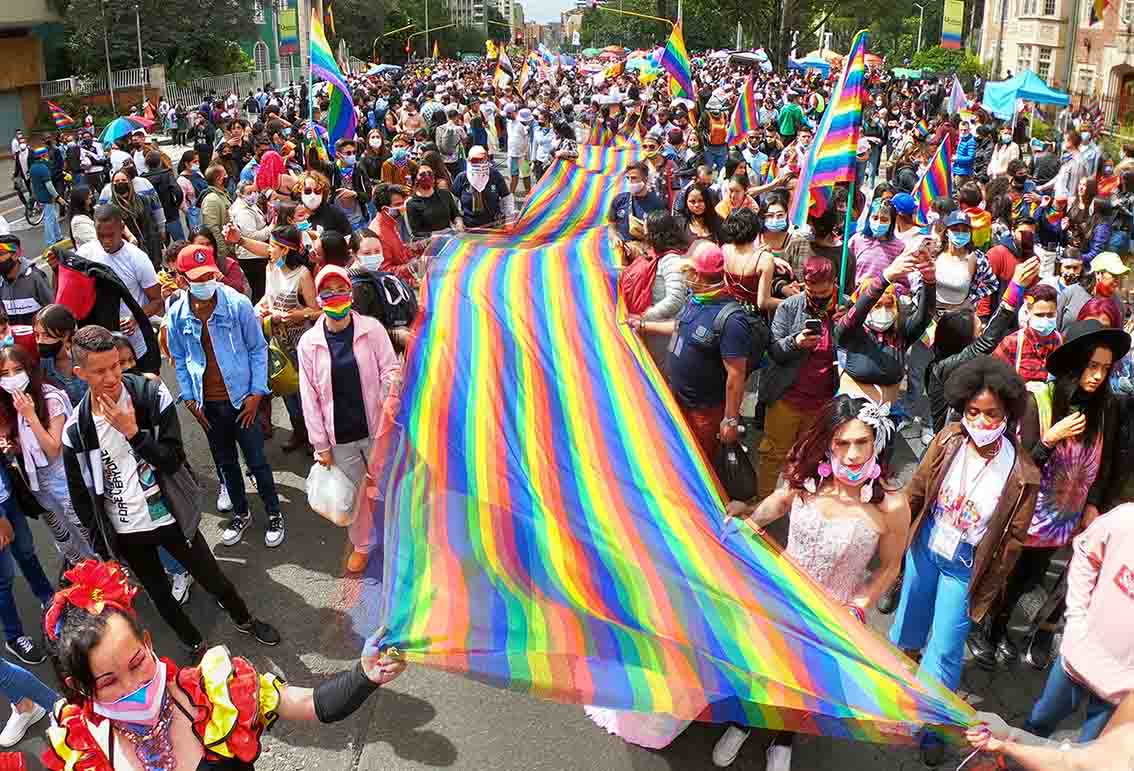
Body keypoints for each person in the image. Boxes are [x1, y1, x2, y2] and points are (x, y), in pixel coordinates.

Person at [42, 559, 406, 770]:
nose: (133, 686)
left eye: (137, 663)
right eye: (108, 682)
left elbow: (314, 704)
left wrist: (366, 675)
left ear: (149, 644)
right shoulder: (83, 745)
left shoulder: (216, 693)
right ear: (80, 688)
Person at [712, 395, 911, 770]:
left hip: (832, 615)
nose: (852, 455)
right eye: (842, 442)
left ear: (878, 441)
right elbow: (778, 502)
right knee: (761, 666)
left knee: (804, 684)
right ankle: (742, 723)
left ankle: (782, 740)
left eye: (862, 442)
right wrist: (751, 523)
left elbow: (890, 568)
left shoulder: (892, 505)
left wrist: (860, 606)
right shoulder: (805, 476)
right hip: (780, 596)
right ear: (827, 442)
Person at [61, 325, 280, 651]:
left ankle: (245, 619)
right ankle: (195, 646)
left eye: (116, 366)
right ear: (80, 373)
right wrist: (106, 549)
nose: (111, 377)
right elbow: (82, 497)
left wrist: (134, 433)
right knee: (160, 595)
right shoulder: (76, 431)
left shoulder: (150, 396)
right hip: (127, 530)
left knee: (212, 577)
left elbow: (174, 460)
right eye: (99, 371)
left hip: (171, 516)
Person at [888, 356, 1040, 766]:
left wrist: (985, 592)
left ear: (1008, 412)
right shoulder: (948, 439)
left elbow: (1010, 545)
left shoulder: (1023, 474)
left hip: (964, 565)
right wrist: (892, 533)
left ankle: (934, 724)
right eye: (973, 411)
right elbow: (916, 490)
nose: (981, 420)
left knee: (947, 646)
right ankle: (900, 689)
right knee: (909, 624)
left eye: (992, 413)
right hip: (926, 548)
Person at [970, 320, 1127, 671]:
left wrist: (1094, 504)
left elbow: (1107, 460)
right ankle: (983, 629)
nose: (1098, 376)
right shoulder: (1037, 400)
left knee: (1031, 579)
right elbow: (1020, 465)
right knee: (1003, 571)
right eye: (1092, 366)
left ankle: (1002, 627)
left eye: (1104, 368)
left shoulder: (1107, 409)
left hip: (1064, 519)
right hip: (1027, 513)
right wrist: (1050, 438)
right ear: (1074, 364)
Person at [166, 243, 284, 550]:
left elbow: (258, 349)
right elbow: (180, 358)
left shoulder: (238, 304)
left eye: (209, 275)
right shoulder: (177, 314)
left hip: (243, 400)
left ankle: (274, 513)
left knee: (257, 461)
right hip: (209, 405)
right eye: (197, 277)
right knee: (225, 463)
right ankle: (241, 513)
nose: (205, 283)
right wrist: (190, 399)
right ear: (182, 279)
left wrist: (257, 393)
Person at [298, 265, 401, 574]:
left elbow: (390, 368)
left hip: (377, 429)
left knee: (391, 484)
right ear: (318, 299)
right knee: (354, 496)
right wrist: (320, 444)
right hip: (338, 438)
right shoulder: (309, 344)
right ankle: (363, 545)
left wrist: (391, 389)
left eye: (341, 291)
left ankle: (400, 540)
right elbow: (310, 398)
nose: (335, 298)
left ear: (351, 294)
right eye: (327, 293)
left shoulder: (372, 330)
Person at [632, 243, 755, 463]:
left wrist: (730, 420)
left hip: (704, 413)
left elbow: (736, 376)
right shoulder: (695, 299)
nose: (684, 276)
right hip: (678, 401)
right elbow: (679, 327)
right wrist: (643, 325)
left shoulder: (731, 319)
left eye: (687, 272)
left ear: (697, 275)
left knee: (701, 463)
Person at [0, 341, 97, 567]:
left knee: (87, 531)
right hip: (39, 485)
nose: (11, 377)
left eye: (17, 370)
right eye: (4, 373)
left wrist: (30, 415)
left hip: (65, 478)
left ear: (29, 369)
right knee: (65, 537)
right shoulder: (9, 403)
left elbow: (53, 449)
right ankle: (87, 580)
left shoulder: (50, 398)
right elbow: (27, 446)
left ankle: (112, 581)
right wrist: (12, 447)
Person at [755, 256, 840, 500]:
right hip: (787, 398)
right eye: (811, 292)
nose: (818, 297)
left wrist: (843, 323)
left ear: (834, 284)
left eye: (824, 292)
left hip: (822, 403)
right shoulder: (789, 307)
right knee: (773, 454)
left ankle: (799, 503)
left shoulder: (842, 309)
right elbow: (775, 350)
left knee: (809, 459)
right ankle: (763, 502)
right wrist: (796, 342)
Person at [76, 205, 164, 366]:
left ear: (122, 228)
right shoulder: (85, 254)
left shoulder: (137, 259)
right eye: (100, 236)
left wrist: (135, 319)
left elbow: (157, 301)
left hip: (135, 350)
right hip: (101, 352)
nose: (106, 241)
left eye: (111, 235)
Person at [256, 225, 318, 452]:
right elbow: (267, 297)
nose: (269, 250)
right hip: (277, 341)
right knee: (286, 389)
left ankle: (314, 437)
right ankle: (298, 433)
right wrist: (260, 308)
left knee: (306, 393)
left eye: (273, 246)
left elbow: (316, 310)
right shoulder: (270, 268)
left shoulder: (302, 274)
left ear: (285, 250)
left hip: (301, 342)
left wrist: (299, 315)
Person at [627, 212, 690, 368]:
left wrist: (645, 317)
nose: (644, 230)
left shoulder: (671, 260)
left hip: (665, 332)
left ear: (656, 232)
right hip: (654, 327)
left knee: (664, 374)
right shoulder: (657, 256)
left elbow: (675, 299)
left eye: (647, 227)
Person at [991, 283, 1062, 383]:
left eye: (1050, 315)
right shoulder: (1012, 343)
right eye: (1040, 315)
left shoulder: (1058, 340)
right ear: (1028, 312)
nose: (1045, 320)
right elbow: (993, 375)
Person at [1058, 251, 1128, 330]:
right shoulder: (1070, 293)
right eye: (1114, 275)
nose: (1118, 280)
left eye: (1120, 276)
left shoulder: (1118, 304)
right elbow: (1056, 329)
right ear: (1098, 274)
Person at [227, 179, 271, 303]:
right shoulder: (242, 212)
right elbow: (252, 235)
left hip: (252, 253)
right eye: (249, 192)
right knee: (259, 289)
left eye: (254, 191)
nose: (253, 195)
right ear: (240, 194)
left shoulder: (249, 205)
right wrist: (271, 228)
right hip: (252, 256)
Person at [450, 145, 512, 229]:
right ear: (469, 160)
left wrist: (508, 220)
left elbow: (506, 198)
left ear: (487, 159)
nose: (479, 162)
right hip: (468, 227)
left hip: (493, 226)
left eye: (481, 159)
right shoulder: (462, 178)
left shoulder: (495, 175)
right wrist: (458, 221)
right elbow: (452, 202)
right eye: (475, 160)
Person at [36, 303, 86, 406]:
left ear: (66, 335)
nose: (40, 341)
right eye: (37, 335)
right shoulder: (43, 363)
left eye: (47, 335)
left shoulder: (86, 358)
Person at [0, 234, 55, 327]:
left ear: (15, 255)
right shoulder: (1, 281)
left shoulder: (35, 277)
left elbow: (53, 310)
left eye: (0, 254)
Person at [608, 161, 665, 245]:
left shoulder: (657, 204)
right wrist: (614, 236)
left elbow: (661, 235)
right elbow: (611, 224)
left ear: (645, 179)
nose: (630, 181)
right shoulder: (619, 200)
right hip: (621, 249)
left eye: (634, 178)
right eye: (628, 178)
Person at [406, 165, 461, 235]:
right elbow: (416, 232)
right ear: (416, 179)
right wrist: (440, 233)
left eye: (430, 173)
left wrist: (459, 224)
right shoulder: (412, 204)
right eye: (422, 175)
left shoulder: (445, 194)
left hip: (449, 239)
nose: (427, 177)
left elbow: (456, 215)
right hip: (430, 243)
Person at [141, 150, 183, 241]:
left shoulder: (143, 179)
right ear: (160, 162)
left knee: (161, 246)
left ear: (146, 164)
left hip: (154, 216)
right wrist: (176, 204)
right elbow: (178, 191)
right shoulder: (167, 174)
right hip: (170, 212)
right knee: (180, 242)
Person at [28, 146, 66, 246]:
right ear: (43, 156)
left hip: (40, 196)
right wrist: (58, 197)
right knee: (49, 219)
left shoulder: (32, 167)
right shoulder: (43, 168)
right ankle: (50, 242)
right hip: (47, 197)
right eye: (46, 154)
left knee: (52, 216)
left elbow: (32, 184)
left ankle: (58, 236)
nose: (48, 156)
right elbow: (49, 185)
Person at [300, 169, 352, 237]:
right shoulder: (294, 214)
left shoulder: (335, 213)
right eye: (307, 191)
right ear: (300, 191)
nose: (312, 196)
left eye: (317, 191)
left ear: (323, 193)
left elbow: (349, 238)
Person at [68, 185, 97, 250]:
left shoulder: (90, 212)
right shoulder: (78, 222)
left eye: (92, 194)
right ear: (81, 200)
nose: (92, 197)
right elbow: (95, 241)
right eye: (89, 196)